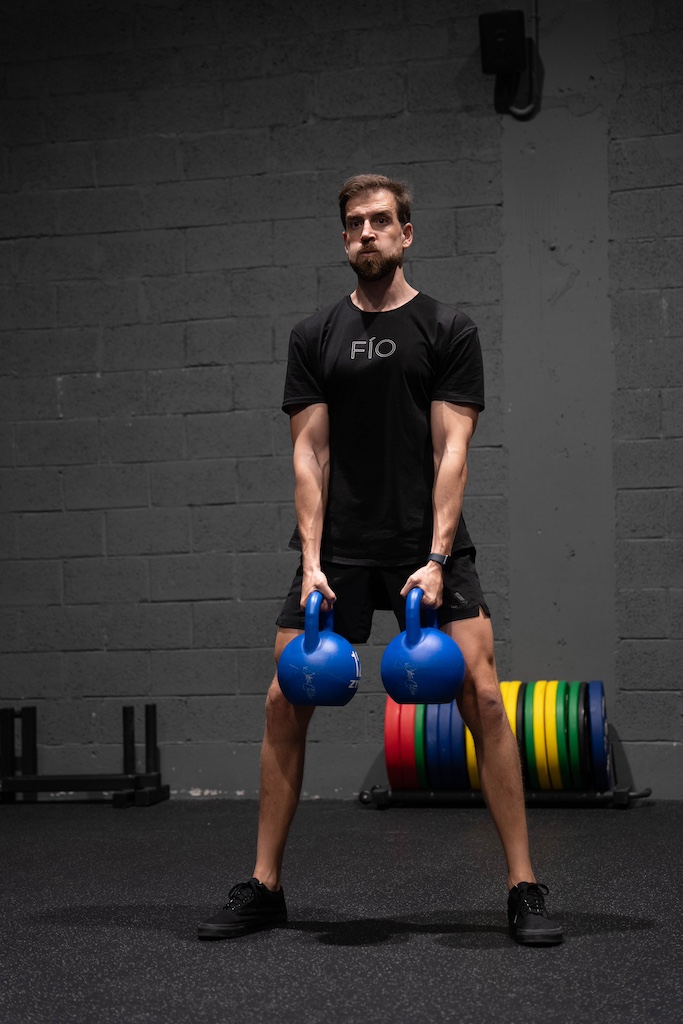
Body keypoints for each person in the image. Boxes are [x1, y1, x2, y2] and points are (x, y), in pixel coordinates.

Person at [198, 173, 563, 946]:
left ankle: (523, 885)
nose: (366, 233)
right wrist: (312, 562)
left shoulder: (446, 328)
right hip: (338, 551)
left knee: (485, 701)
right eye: (354, 224)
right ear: (343, 240)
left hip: (425, 544)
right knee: (280, 703)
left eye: (380, 221)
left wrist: (435, 559)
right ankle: (264, 885)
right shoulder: (313, 336)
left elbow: (452, 449)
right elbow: (308, 456)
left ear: (406, 234)